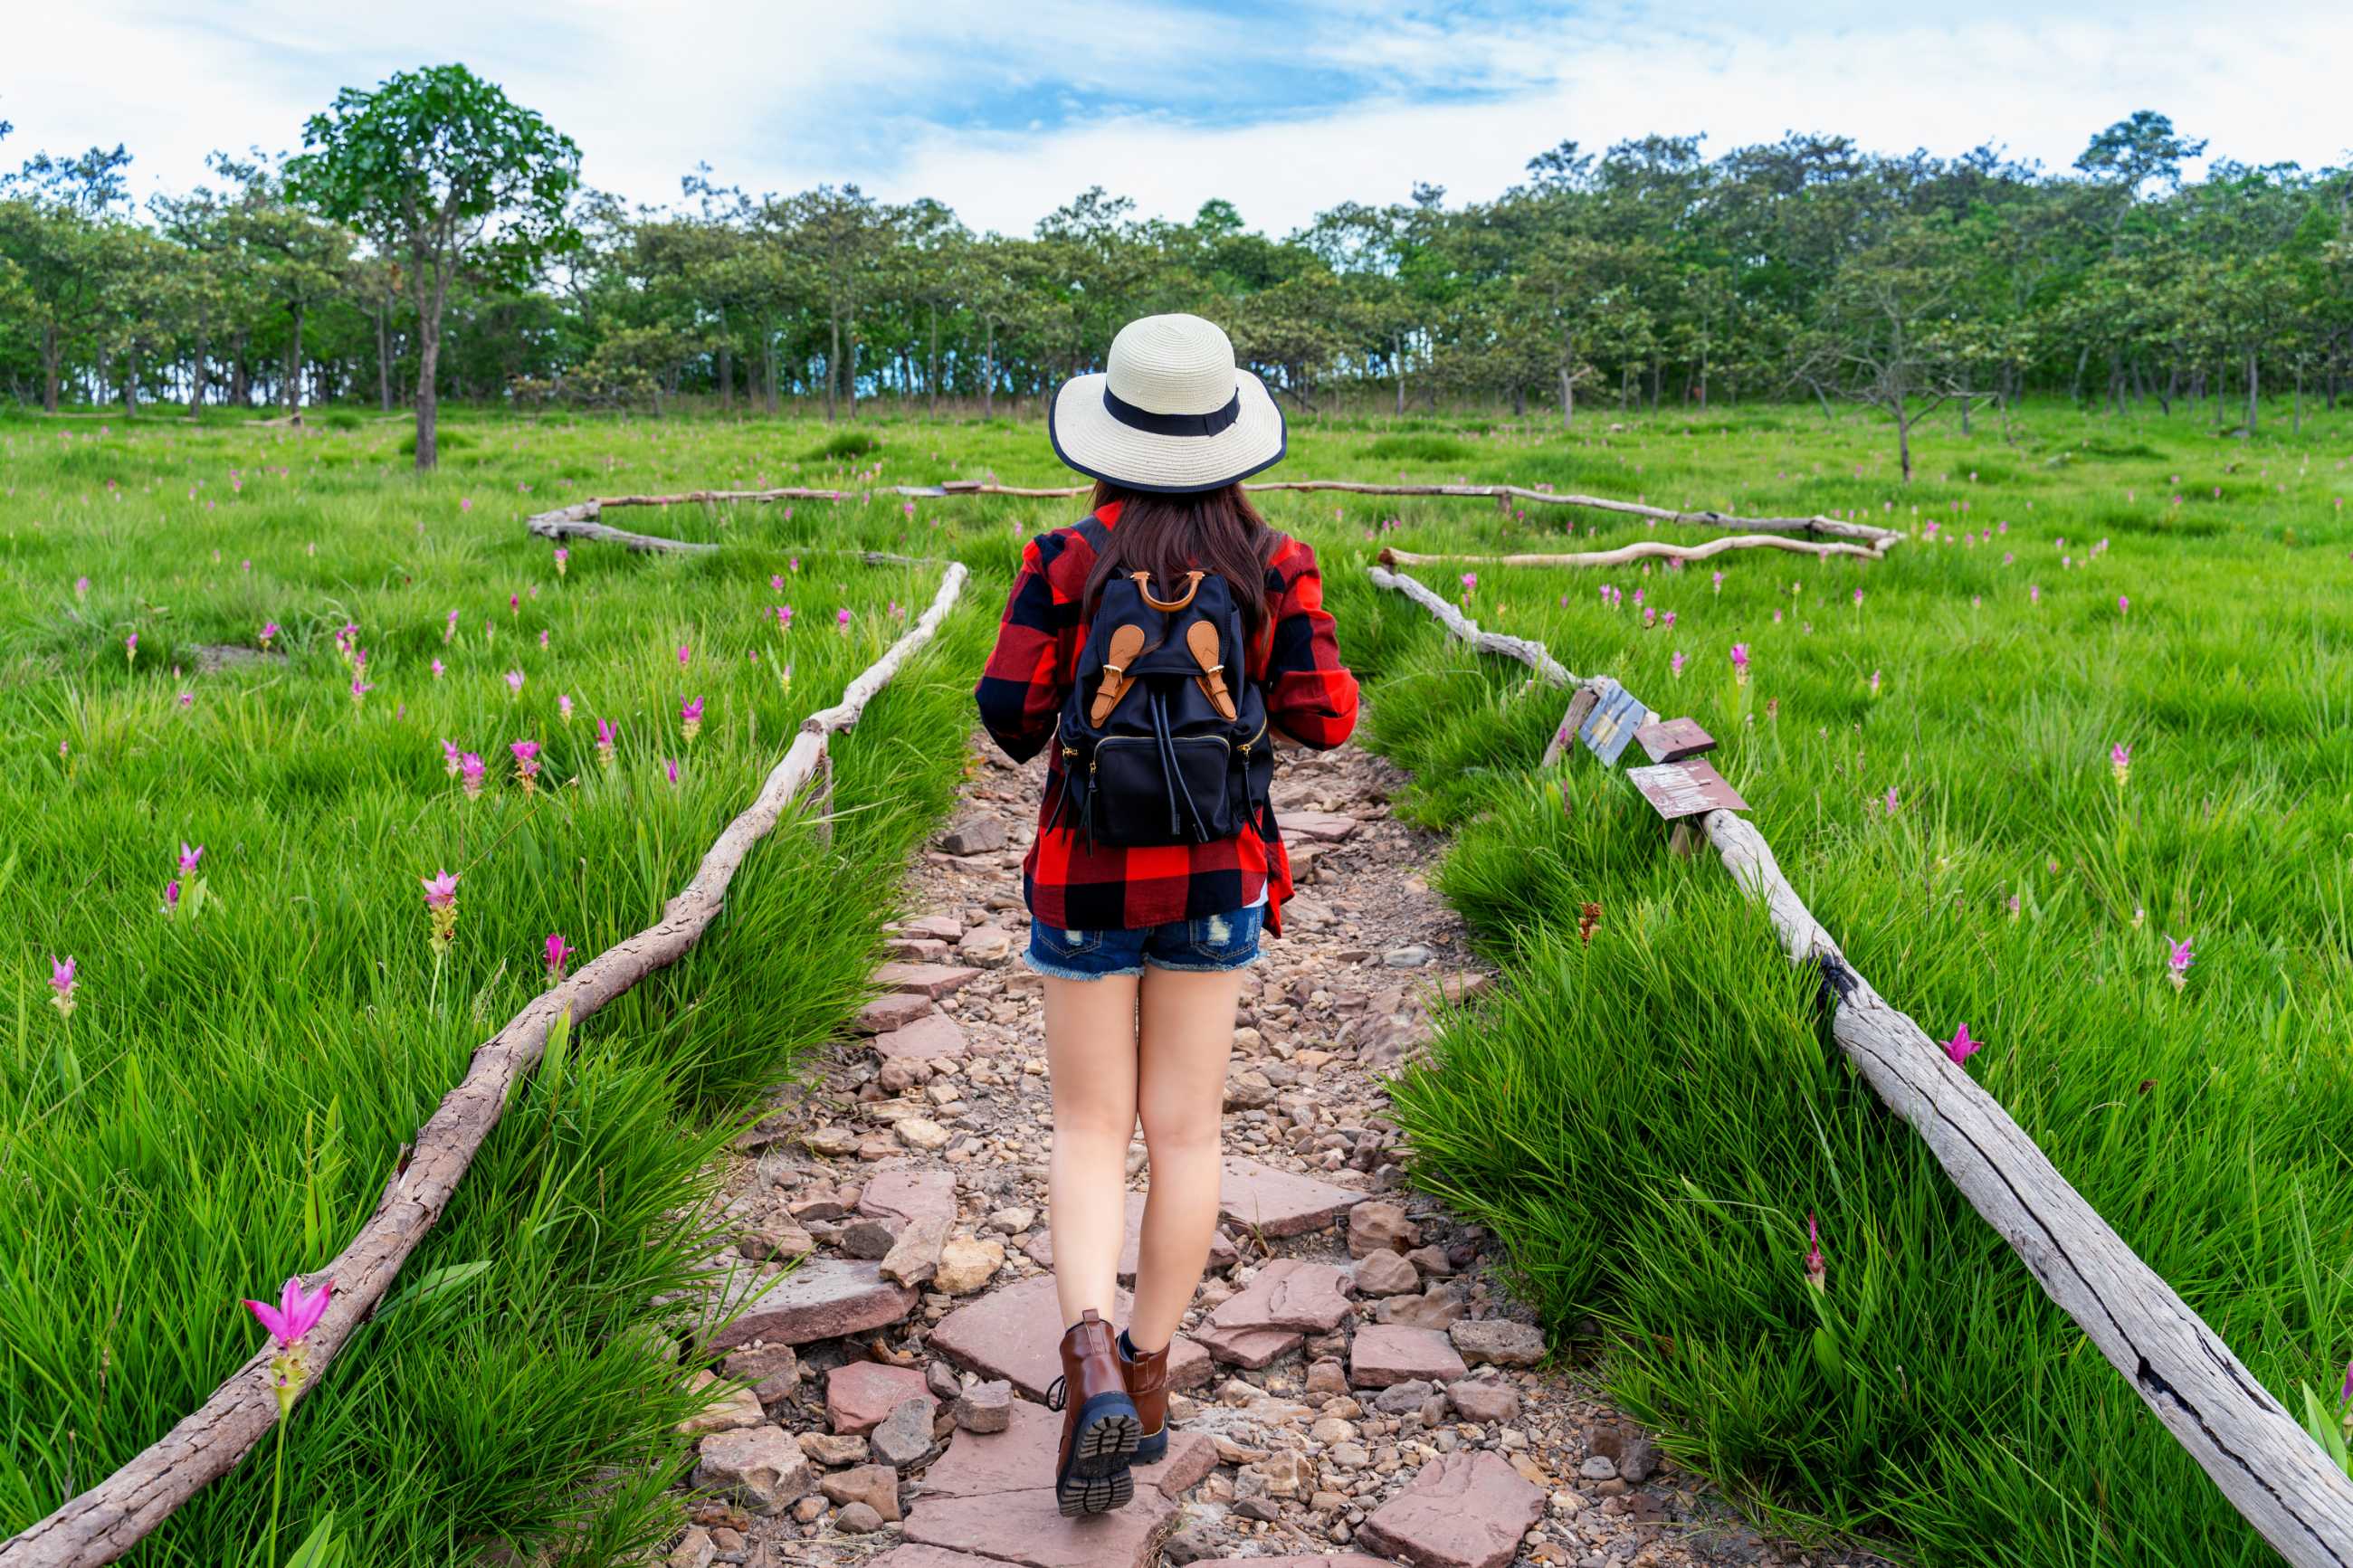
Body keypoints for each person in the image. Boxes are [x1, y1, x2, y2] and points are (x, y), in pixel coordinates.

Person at [974, 313, 1358, 1516]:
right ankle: (1143, 1380)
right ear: (1227, 438)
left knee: (1091, 1127)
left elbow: (1008, 713)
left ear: (1112, 431)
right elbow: (1327, 716)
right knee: (1184, 1130)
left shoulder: (1065, 557)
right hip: (1214, 876)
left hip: (1084, 873)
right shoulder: (1274, 560)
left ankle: (1082, 1348)